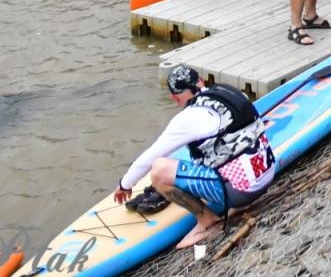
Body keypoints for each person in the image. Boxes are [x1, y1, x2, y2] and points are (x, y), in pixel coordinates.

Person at [112, 64, 276, 251]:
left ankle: (207, 222)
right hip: (268, 171)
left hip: (242, 190)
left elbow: (152, 155)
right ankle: (229, 193)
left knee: (159, 170)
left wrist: (125, 184)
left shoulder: (188, 118)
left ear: (174, 97)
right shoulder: (228, 91)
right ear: (202, 81)